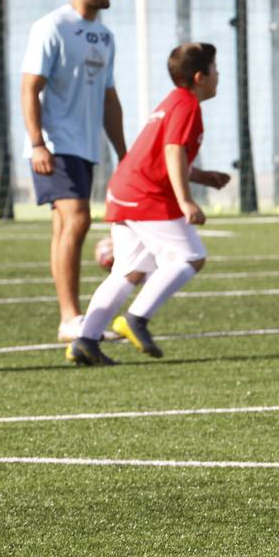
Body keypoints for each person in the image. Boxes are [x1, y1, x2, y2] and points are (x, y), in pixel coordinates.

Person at [67, 42, 232, 365]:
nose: (218, 75)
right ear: (200, 76)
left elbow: (165, 156)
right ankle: (136, 318)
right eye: (215, 69)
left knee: (128, 270)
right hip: (146, 197)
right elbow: (172, 151)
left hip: (124, 191)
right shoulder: (186, 106)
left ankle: (85, 340)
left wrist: (201, 176)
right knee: (192, 256)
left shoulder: (173, 102)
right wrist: (186, 201)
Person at [21, 0, 128, 342]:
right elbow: (30, 87)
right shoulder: (51, 27)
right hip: (55, 143)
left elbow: (108, 97)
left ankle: (69, 318)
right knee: (78, 219)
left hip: (85, 146)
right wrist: (37, 144)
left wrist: (122, 150)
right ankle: (71, 318)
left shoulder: (104, 36)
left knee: (64, 225)